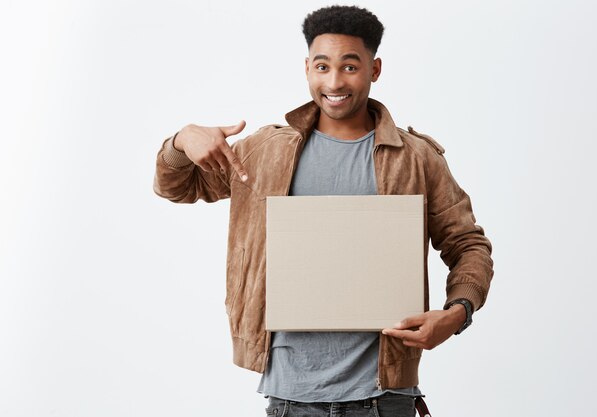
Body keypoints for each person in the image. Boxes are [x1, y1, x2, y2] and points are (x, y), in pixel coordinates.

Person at [153, 5, 493, 417]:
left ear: (375, 69)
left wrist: (457, 314)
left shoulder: (416, 158)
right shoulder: (264, 152)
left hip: (384, 399)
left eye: (350, 67)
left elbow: (467, 244)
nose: (334, 82)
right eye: (322, 66)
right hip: (289, 398)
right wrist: (181, 140)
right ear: (307, 68)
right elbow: (177, 187)